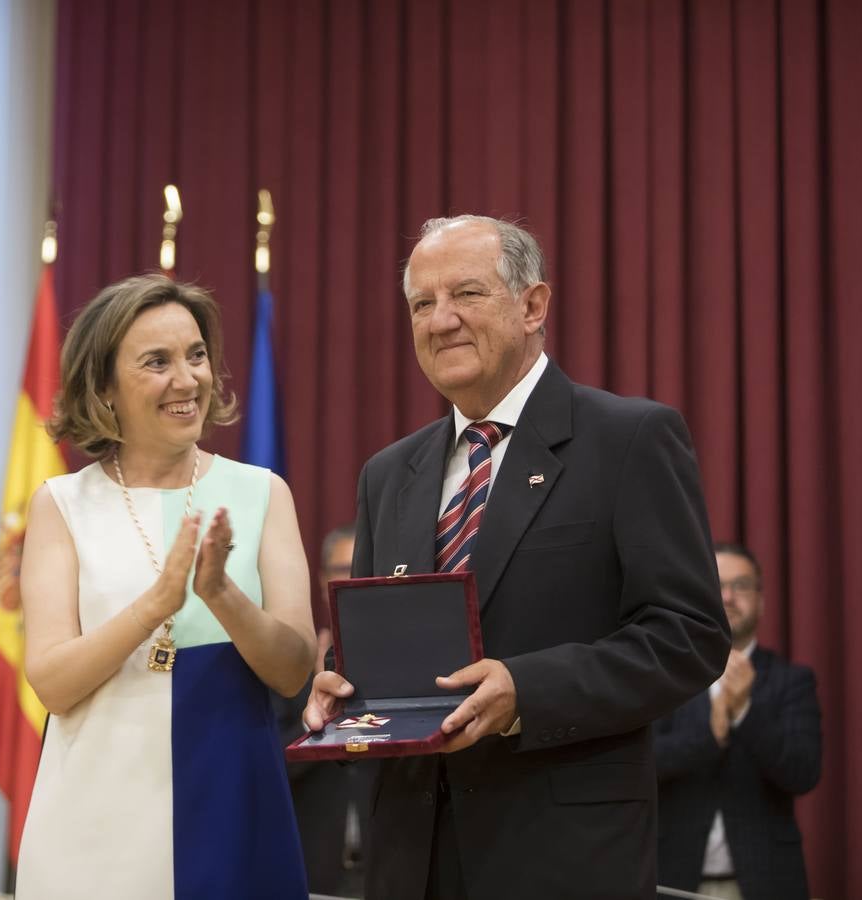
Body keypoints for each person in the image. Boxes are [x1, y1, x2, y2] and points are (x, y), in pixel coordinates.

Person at [303, 215, 731, 900]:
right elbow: (388, 643)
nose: (440, 321)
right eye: (421, 303)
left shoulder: (628, 439)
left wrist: (525, 692)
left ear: (533, 306)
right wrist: (341, 683)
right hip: (409, 862)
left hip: (563, 858)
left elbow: (689, 636)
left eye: (466, 294)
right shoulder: (388, 475)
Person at [13, 273, 316, 898]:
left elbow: (293, 671)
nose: (189, 380)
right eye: (158, 362)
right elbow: (51, 683)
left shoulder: (263, 493)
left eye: (197, 355)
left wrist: (221, 595)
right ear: (104, 387)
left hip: (233, 803)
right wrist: (157, 602)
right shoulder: (62, 504)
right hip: (94, 825)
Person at [654, 542, 822, 900]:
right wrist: (710, 734)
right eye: (718, 585)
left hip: (766, 882)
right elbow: (643, 765)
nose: (728, 596)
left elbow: (803, 772)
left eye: (741, 586)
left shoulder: (792, 680)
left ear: (761, 601)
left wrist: (746, 709)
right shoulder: (666, 677)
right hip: (672, 878)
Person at [272, 523, 374, 898]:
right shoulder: (288, 663)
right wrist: (316, 718)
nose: (349, 579)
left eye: (358, 568)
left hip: (389, 864)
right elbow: (266, 762)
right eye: (340, 569)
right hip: (312, 868)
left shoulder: (392, 666)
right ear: (321, 579)